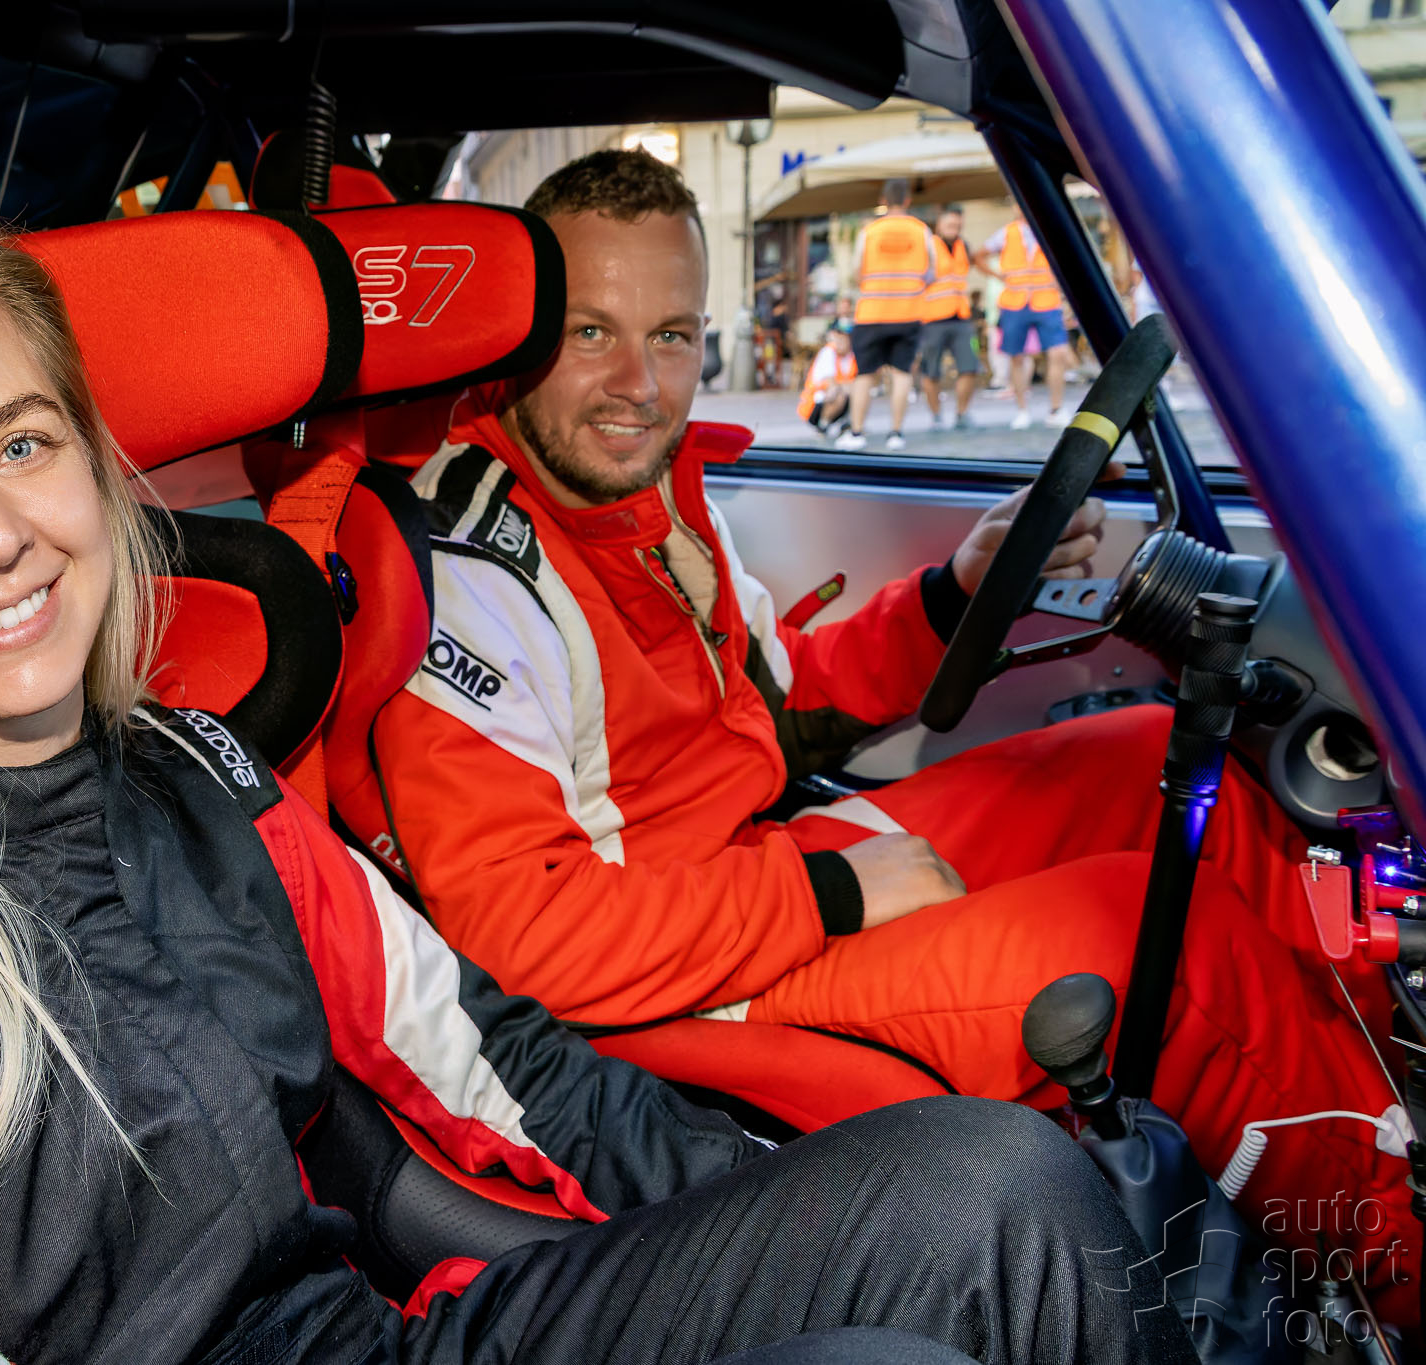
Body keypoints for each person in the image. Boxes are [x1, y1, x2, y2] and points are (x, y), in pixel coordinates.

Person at [0, 202, 1194, 1365]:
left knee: (993, 1186)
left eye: (21, 445)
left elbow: (503, 1066)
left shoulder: (198, 772)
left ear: (93, 463)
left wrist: (782, 1213)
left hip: (396, 1334)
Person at [365, 149, 1414, 1320]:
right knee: (1156, 950)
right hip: (666, 979)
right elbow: (526, 938)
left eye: (670, 335)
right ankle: (1396, 1256)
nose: (639, 385)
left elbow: (776, 705)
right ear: (516, 339)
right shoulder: (468, 574)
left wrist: (949, 599)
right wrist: (835, 892)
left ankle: (1361, 1091)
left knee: (1160, 763)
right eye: (590, 334)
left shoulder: (646, 498)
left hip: (748, 865)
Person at [835, 178, 934, 453]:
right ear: (908, 200)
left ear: (883, 200)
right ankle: (896, 434)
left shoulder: (870, 231)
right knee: (902, 373)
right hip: (909, 312)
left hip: (872, 313)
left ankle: (857, 433)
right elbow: (932, 272)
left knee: (865, 375)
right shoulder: (921, 230)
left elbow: (856, 271)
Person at [977, 214, 1077, 430]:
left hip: (1047, 301)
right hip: (1015, 302)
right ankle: (1022, 410)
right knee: (1016, 357)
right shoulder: (1007, 233)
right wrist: (998, 276)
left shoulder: (1050, 228)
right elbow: (979, 256)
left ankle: (1056, 409)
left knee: (1058, 353)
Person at [913, 204, 980, 430]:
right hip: (932, 319)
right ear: (939, 225)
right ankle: (936, 416)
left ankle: (962, 413)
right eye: (950, 224)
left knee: (970, 367)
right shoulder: (928, 247)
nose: (955, 229)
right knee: (931, 370)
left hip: (961, 317)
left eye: (958, 225)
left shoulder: (963, 246)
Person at [797, 321, 856, 439]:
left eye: (846, 337)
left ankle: (849, 425)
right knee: (839, 393)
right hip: (814, 405)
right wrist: (850, 386)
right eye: (839, 336)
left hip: (841, 396)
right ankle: (823, 425)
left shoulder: (852, 355)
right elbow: (831, 384)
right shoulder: (828, 352)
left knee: (859, 392)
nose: (842, 340)